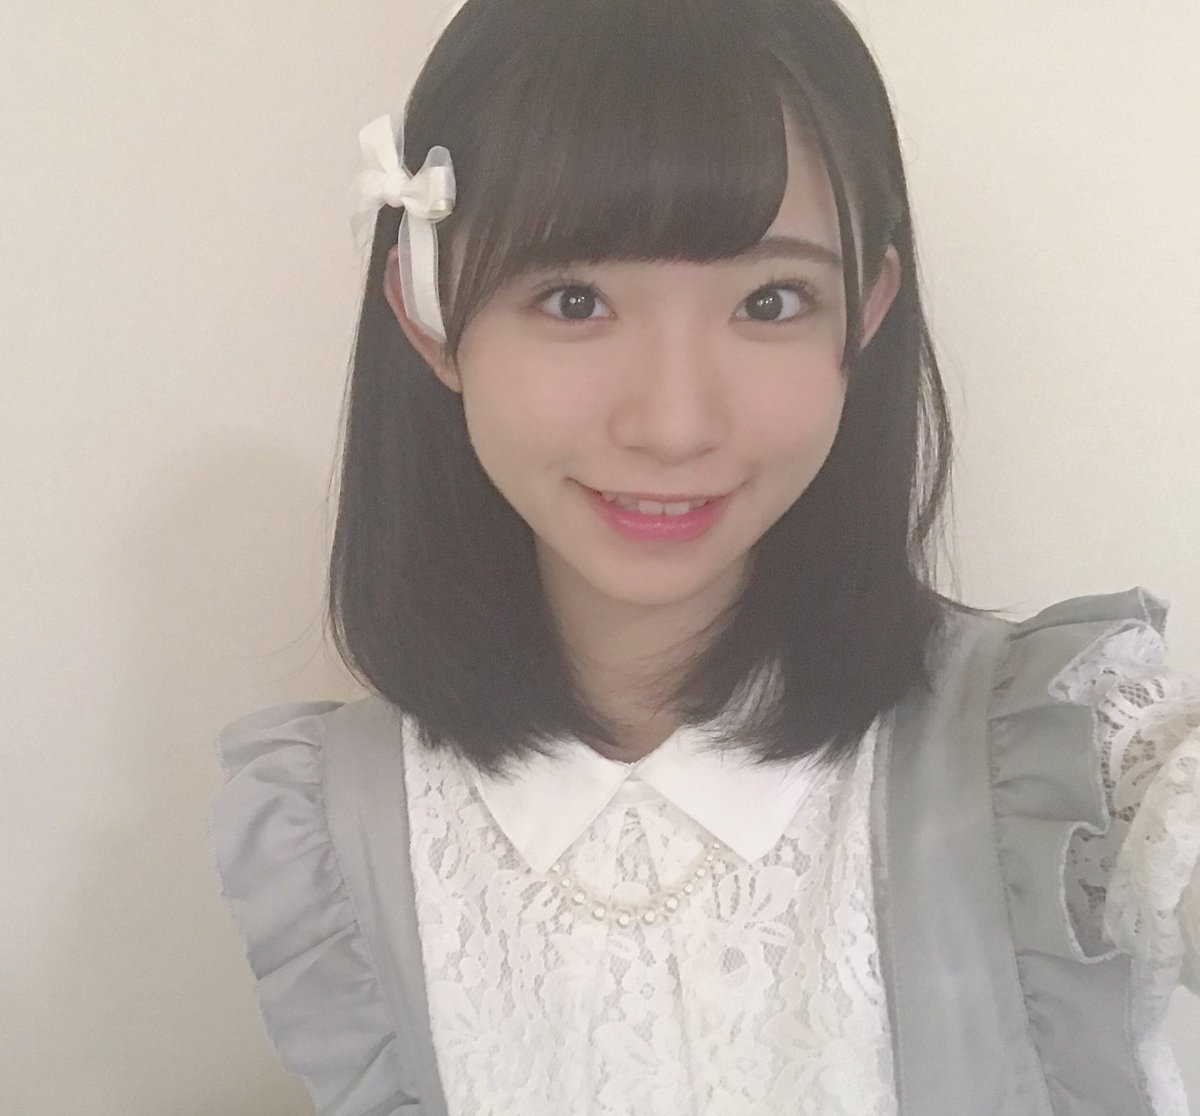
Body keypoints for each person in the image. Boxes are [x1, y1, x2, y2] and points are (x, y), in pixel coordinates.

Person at [210, 0, 1200, 1113]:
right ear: (430, 314)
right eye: (574, 299)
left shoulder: (1064, 765)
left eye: (770, 301)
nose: (675, 424)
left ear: (865, 312)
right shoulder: (339, 833)